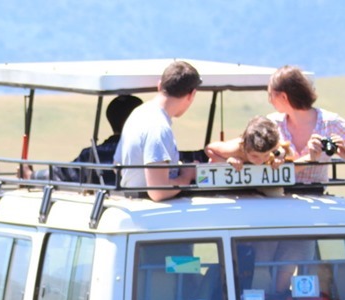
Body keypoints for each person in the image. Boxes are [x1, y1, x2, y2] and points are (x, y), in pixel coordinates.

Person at [267, 65, 345, 183]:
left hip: (317, 195)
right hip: (278, 196)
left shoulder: (329, 122)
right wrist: (310, 158)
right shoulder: (272, 124)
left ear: (283, 97)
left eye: (270, 95)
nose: (269, 100)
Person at [114, 60, 201, 200]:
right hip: (150, 212)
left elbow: (116, 164)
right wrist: (187, 175)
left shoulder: (138, 114)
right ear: (191, 95)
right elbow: (158, 192)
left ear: (160, 85)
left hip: (132, 203)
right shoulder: (159, 127)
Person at [205, 116, 286, 171]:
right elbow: (209, 148)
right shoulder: (234, 149)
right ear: (244, 147)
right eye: (254, 156)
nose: (260, 161)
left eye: (266, 155)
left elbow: (281, 150)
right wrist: (227, 162)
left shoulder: (269, 145)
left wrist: (279, 157)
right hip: (224, 174)